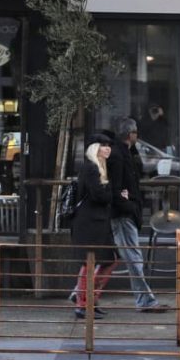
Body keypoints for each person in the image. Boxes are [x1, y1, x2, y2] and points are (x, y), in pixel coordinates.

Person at [109, 117, 168, 312]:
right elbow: (116, 188)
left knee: (119, 257)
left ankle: (79, 292)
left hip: (126, 212)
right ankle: (145, 301)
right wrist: (128, 206)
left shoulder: (126, 152)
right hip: (123, 214)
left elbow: (139, 170)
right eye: (135, 132)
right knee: (133, 258)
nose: (138, 135)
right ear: (130, 134)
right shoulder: (118, 155)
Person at [70, 133, 118, 320]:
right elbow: (99, 196)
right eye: (104, 145)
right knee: (89, 263)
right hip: (90, 223)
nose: (108, 149)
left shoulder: (99, 167)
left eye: (109, 145)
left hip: (97, 222)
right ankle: (83, 303)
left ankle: (90, 299)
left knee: (110, 259)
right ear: (95, 148)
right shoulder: (91, 168)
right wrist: (111, 194)